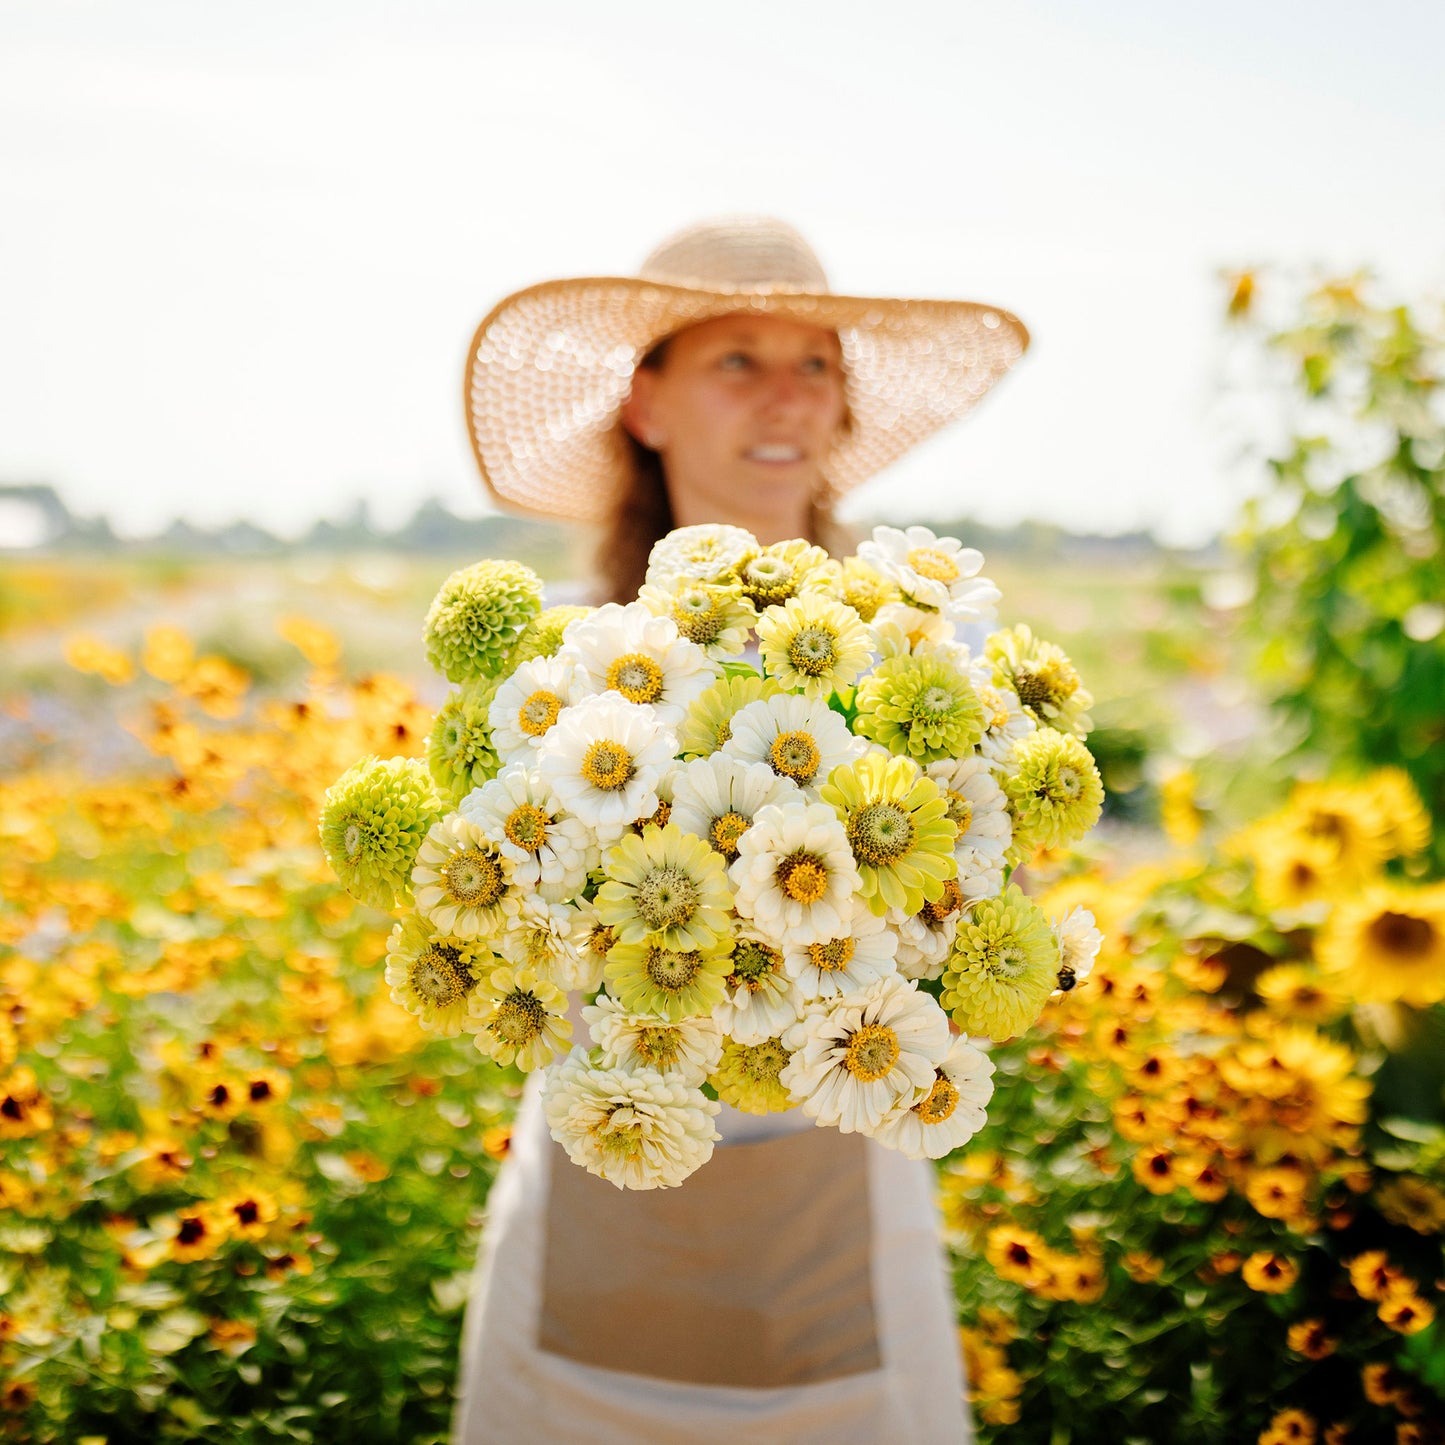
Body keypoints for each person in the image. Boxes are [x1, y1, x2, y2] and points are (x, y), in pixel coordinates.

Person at [452, 217, 1029, 1445]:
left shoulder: (927, 656)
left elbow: (977, 915)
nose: (785, 397)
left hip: (843, 1214)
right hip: (594, 1209)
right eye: (736, 360)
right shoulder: (549, 669)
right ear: (644, 405)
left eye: (813, 363)